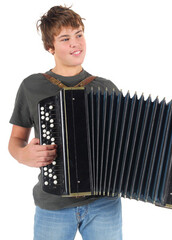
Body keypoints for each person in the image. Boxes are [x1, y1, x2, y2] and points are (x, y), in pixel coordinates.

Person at [8, 6, 122, 240]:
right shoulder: (32, 86)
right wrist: (22, 155)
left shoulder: (106, 88)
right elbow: (16, 140)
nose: (75, 43)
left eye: (79, 34)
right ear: (50, 47)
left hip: (104, 204)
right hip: (53, 204)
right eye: (65, 38)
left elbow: (128, 140)